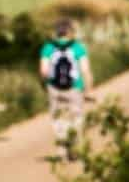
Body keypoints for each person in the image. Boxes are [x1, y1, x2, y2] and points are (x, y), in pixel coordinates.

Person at [39, 20, 94, 160]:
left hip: (54, 88)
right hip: (75, 88)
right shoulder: (78, 48)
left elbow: (44, 71)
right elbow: (85, 70)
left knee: (58, 119)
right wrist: (88, 90)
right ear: (70, 32)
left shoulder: (48, 48)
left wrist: (45, 86)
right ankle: (74, 148)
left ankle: (61, 149)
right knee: (76, 118)